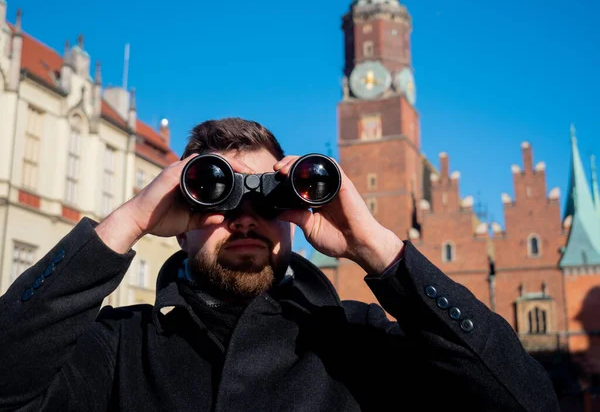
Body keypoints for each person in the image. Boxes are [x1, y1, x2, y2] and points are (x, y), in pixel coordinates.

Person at [0, 117, 559, 411]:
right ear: (179, 221)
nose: (244, 218)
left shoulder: (359, 343)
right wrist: (127, 221)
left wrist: (376, 248)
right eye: (214, 199)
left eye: (269, 199)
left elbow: (524, 399)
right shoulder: (120, 348)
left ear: (295, 217)